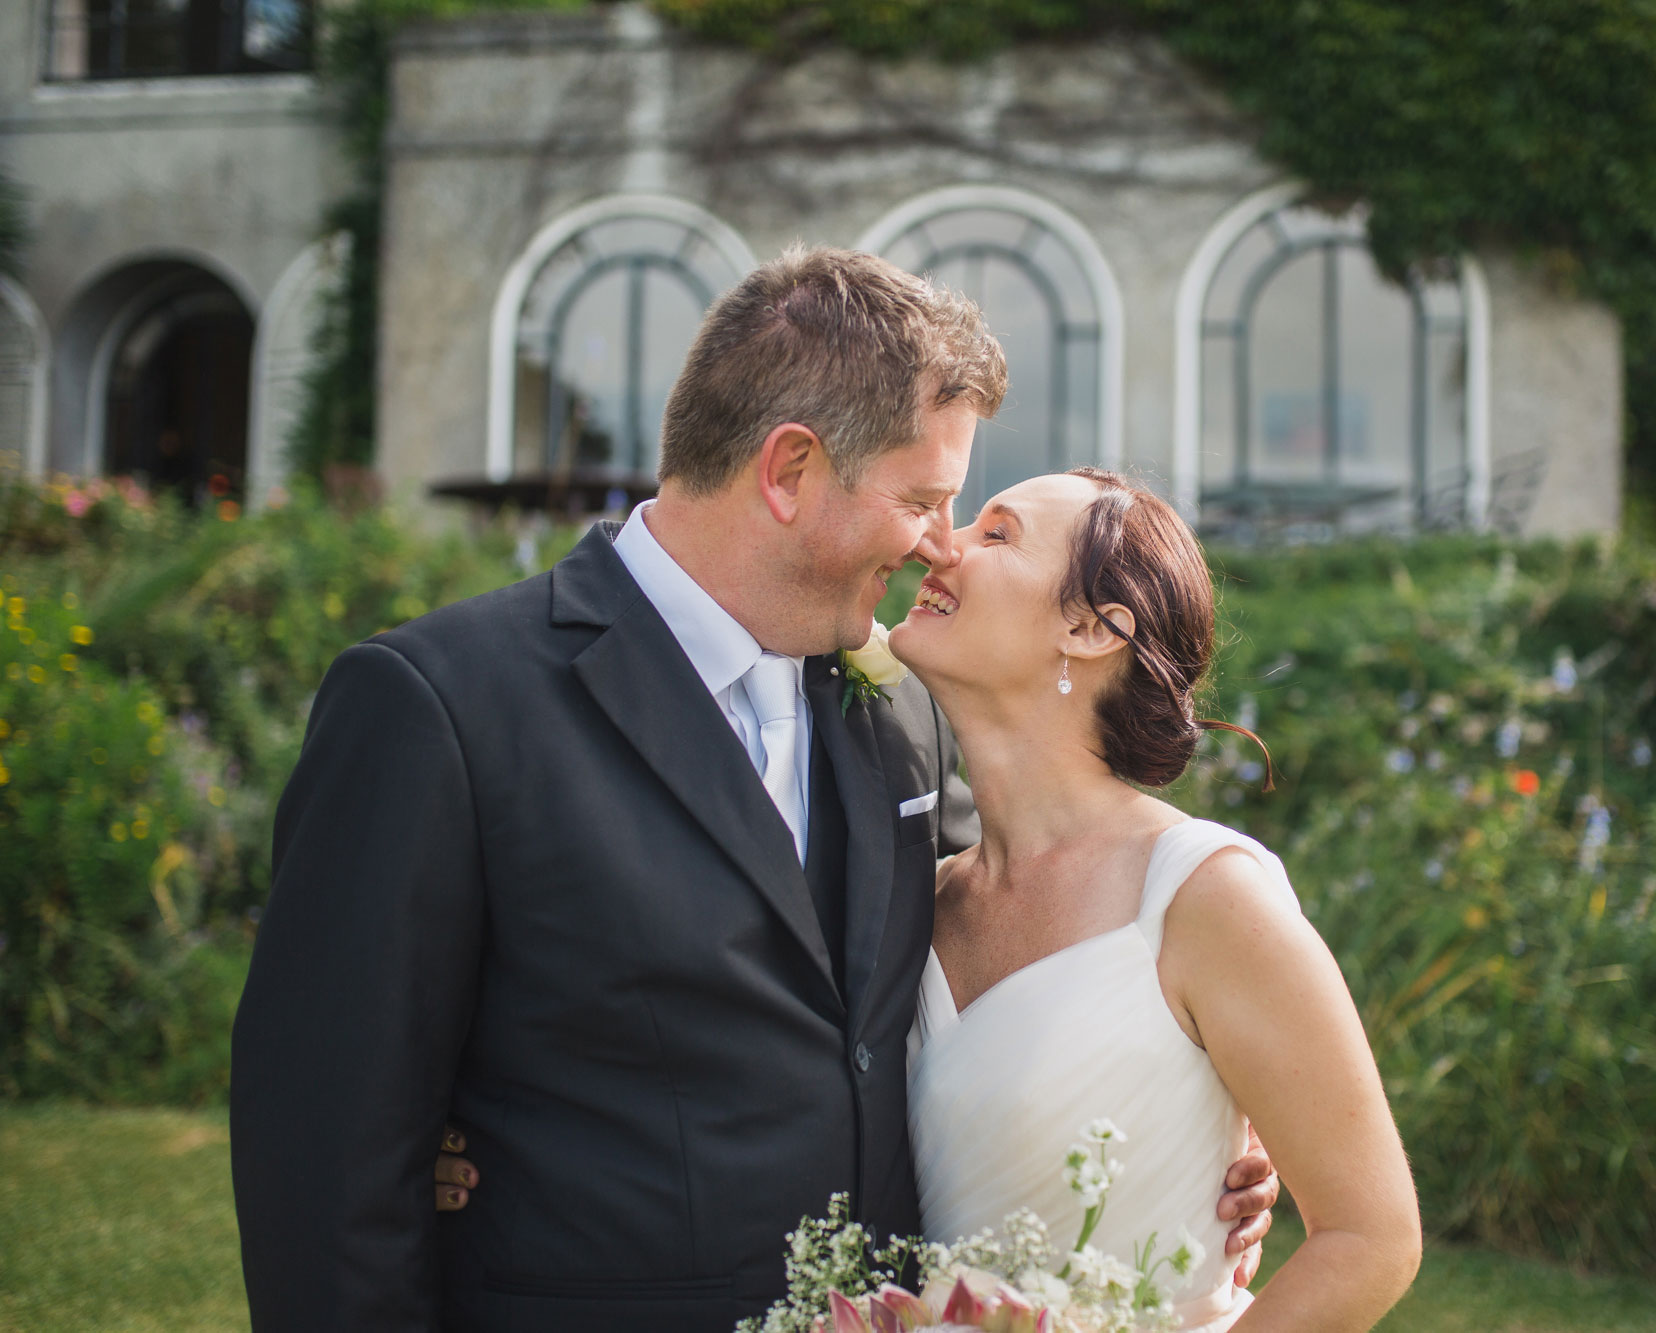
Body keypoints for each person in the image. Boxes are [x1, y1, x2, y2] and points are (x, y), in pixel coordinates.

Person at [229, 246, 1275, 1332]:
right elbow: (324, 1161)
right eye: (922, 498)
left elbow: (1002, 949)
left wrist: (1189, 1113)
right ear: (787, 472)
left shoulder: (902, 704)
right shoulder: (440, 708)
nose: (938, 546)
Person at [894, 468, 1424, 1331]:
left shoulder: (1203, 896)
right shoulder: (921, 895)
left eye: (997, 534)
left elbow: (1372, 1237)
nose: (940, 544)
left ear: (1090, 628)